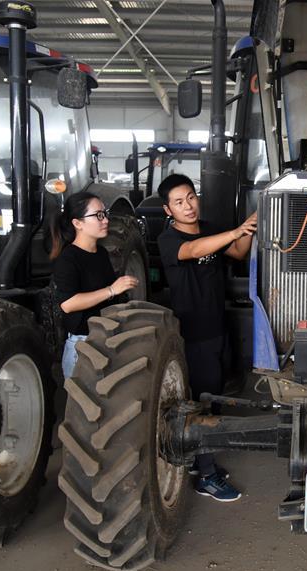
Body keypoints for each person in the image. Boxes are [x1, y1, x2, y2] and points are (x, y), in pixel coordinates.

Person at [157, 173, 256, 502]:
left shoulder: (211, 228)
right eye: (179, 202)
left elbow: (237, 253)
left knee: (213, 397)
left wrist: (251, 229)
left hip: (218, 326)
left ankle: (202, 462)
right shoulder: (168, 239)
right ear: (168, 210)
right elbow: (192, 250)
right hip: (194, 331)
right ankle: (207, 476)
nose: (188, 206)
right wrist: (235, 231)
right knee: (201, 401)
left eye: (191, 197)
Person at [51, 191, 139, 379]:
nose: (105, 220)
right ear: (78, 223)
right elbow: (68, 304)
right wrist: (111, 290)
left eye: (105, 214)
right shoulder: (68, 259)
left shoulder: (101, 254)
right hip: (84, 345)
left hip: (107, 339)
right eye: (98, 215)